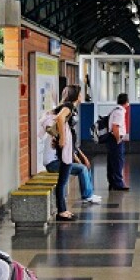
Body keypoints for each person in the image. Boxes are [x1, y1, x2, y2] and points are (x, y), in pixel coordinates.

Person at [41, 92, 102, 208]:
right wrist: (79, 161)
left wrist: (83, 158)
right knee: (81, 169)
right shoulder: (59, 130)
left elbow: (72, 147)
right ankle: (87, 196)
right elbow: (65, 149)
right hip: (53, 164)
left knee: (84, 166)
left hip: (60, 160)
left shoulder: (66, 128)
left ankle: (89, 193)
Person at [44, 84, 87, 220]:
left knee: (63, 180)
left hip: (66, 148)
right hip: (64, 148)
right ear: (76, 95)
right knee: (62, 181)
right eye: (80, 93)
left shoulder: (69, 106)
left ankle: (63, 209)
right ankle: (61, 211)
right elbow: (60, 118)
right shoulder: (68, 106)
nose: (82, 95)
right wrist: (62, 138)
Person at [106, 93, 130, 191]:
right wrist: (118, 140)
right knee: (118, 161)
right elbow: (115, 127)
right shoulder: (119, 112)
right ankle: (118, 184)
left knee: (112, 161)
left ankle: (112, 182)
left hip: (112, 139)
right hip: (115, 139)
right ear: (126, 102)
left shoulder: (115, 110)